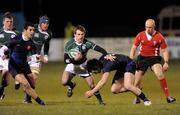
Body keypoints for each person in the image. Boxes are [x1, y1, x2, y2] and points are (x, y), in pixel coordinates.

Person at [61, 25, 114, 105]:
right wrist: (74, 59)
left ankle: (100, 101)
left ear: (84, 34)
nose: (80, 36)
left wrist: (107, 54)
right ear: (74, 34)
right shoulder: (69, 44)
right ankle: (71, 85)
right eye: (78, 34)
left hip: (83, 66)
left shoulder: (87, 43)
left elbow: (100, 49)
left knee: (92, 85)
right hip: (72, 65)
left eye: (82, 34)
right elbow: (65, 60)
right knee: (64, 82)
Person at [129, 18, 176, 104]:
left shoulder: (159, 36)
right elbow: (133, 48)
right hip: (142, 58)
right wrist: (130, 60)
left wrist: (166, 62)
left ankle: (168, 97)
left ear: (154, 26)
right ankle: (137, 98)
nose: (148, 29)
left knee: (160, 74)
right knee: (135, 83)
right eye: (146, 27)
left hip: (154, 58)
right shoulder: (140, 35)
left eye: (150, 27)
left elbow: (165, 50)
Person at [0, 22, 45, 105]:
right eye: (30, 30)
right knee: (25, 84)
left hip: (24, 65)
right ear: (25, 30)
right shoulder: (16, 39)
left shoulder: (31, 43)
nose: (32, 32)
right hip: (14, 66)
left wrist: (39, 58)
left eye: (33, 30)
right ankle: (40, 102)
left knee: (33, 84)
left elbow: (34, 57)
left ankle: (27, 92)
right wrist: (3, 55)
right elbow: (2, 49)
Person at [85, 54, 152, 106]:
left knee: (128, 85)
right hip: (121, 67)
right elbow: (104, 53)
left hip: (129, 64)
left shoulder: (106, 66)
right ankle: (136, 88)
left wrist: (92, 92)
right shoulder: (101, 59)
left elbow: (103, 81)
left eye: (93, 71)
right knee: (114, 90)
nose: (94, 73)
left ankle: (146, 100)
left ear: (96, 67)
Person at [21, 15, 52, 103]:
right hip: (25, 56)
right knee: (25, 78)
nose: (46, 25)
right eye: (44, 23)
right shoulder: (32, 28)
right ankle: (27, 93)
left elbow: (46, 45)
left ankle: (27, 96)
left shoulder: (49, 33)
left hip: (36, 58)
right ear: (40, 23)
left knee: (33, 79)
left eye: (47, 23)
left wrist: (45, 55)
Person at [0, 12, 20, 100]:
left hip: (8, 59)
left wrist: (8, 54)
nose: (9, 23)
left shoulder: (16, 34)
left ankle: (2, 89)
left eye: (11, 22)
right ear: (3, 22)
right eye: (7, 21)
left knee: (5, 77)